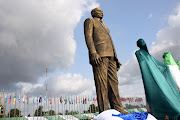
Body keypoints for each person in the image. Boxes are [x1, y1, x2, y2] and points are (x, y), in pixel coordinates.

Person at [84, 7, 128, 114]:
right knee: (101, 84)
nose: (101, 12)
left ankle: (118, 107)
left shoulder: (105, 26)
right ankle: (104, 110)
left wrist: (116, 58)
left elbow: (111, 43)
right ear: (93, 13)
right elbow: (88, 37)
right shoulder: (90, 21)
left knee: (114, 83)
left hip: (111, 56)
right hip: (99, 55)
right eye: (98, 10)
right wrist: (94, 53)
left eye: (102, 10)